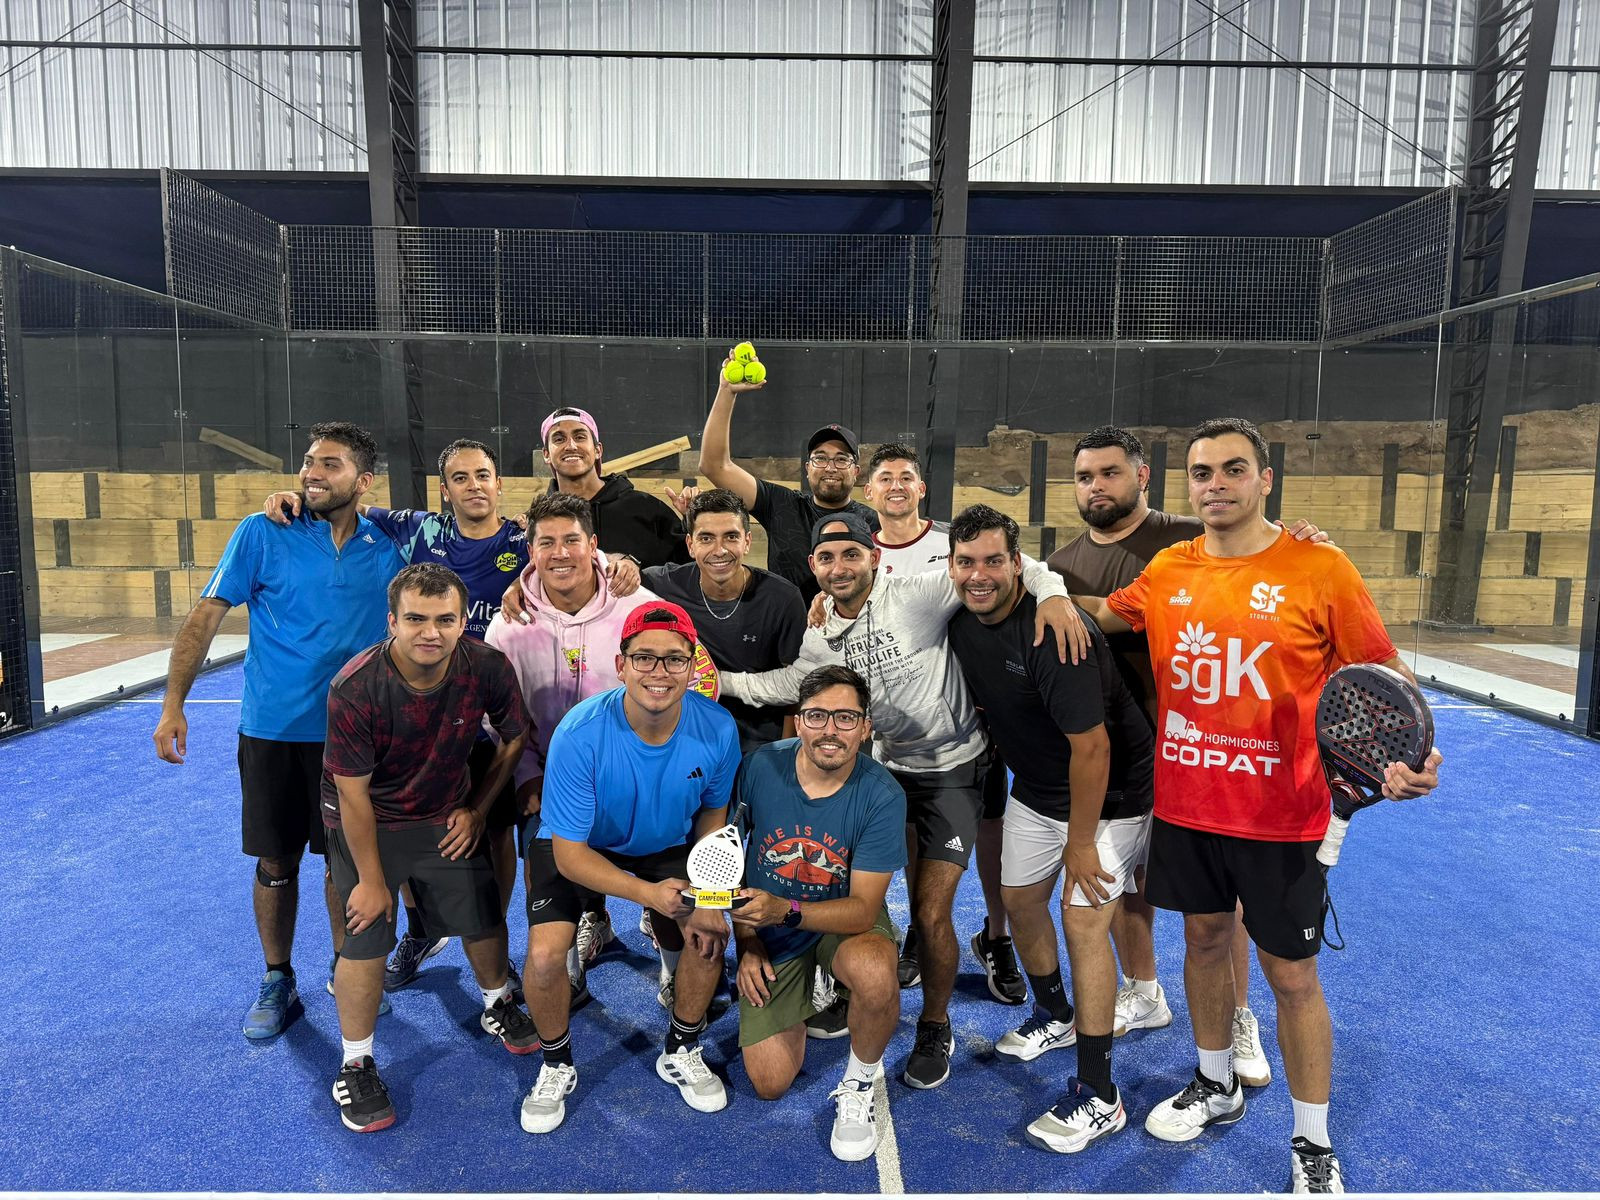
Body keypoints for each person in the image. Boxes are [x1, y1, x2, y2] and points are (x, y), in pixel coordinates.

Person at [1074, 418, 1443, 1193]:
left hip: (1283, 818)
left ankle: (1313, 1143)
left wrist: (1413, 756)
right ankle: (1215, 1083)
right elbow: (1103, 611)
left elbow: (1384, 674)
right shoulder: (1170, 567)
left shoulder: (1320, 566)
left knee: (1293, 978)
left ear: (1265, 479)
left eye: (1233, 469)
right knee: (1204, 942)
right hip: (1186, 806)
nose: (1216, 484)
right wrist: (1032, 592)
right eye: (1202, 472)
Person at [720, 511, 1087, 1090]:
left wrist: (1055, 595)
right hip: (882, 770)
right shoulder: (820, 631)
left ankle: (934, 1024)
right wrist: (720, 682)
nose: (840, 567)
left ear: (874, 557)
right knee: (854, 887)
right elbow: (788, 683)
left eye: (851, 554)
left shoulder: (917, 594)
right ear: (813, 566)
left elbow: (1011, 569)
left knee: (931, 911)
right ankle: (852, 981)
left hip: (952, 771)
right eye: (827, 558)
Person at [1050, 425, 1326, 1085]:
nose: (1097, 486)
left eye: (1110, 473)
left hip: (1229, 768)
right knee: (1143, 892)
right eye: (1085, 476)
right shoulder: (1078, 562)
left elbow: (1265, 551)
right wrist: (1038, 590)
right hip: (1137, 758)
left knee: (1231, 915)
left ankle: (1240, 1019)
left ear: (1143, 475)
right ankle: (1146, 993)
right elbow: (1103, 613)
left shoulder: (1188, 536)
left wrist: (1301, 543)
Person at [153, 421, 405, 1040]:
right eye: (309, 462)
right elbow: (207, 616)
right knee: (276, 859)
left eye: (330, 464)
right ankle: (277, 976)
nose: (312, 473)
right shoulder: (262, 531)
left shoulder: (390, 543)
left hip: (358, 736)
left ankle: (349, 968)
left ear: (364, 481)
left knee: (347, 862)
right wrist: (173, 703)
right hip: (274, 730)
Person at [945, 505, 1154, 1154]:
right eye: (966, 562)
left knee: (1084, 921)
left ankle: (1100, 1095)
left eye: (994, 560)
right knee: (1019, 900)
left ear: (1019, 564)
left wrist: (1082, 842)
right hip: (1037, 789)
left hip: (1113, 794)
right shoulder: (960, 621)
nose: (979, 575)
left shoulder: (1055, 633)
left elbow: (1092, 748)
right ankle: (1056, 1013)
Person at [322, 564, 537, 1132]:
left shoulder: (486, 665)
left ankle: (498, 1002)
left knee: (482, 912)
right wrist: (373, 881)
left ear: (463, 621)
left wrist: (478, 808)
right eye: (416, 618)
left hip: (443, 810)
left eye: (445, 620)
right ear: (391, 621)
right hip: (368, 817)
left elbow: (514, 736)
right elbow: (352, 795)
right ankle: (356, 1063)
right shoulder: (355, 686)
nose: (430, 632)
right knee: (366, 931)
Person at [517, 601, 742, 1134]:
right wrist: (648, 895)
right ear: (621, 666)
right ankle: (556, 1062)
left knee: (710, 935)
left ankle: (682, 1047)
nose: (658, 672)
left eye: (674, 659)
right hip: (581, 844)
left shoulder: (718, 727)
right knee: (545, 958)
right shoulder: (579, 732)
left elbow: (711, 820)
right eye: (644, 658)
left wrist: (709, 894)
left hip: (668, 842)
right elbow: (570, 855)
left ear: (692, 666)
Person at [486, 492, 679, 1007]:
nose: (560, 553)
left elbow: (675, 694)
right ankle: (568, 968)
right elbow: (501, 717)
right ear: (531, 552)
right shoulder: (508, 625)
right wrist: (527, 776)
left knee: (668, 878)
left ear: (594, 544)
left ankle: (673, 966)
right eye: (546, 542)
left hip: (639, 782)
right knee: (545, 867)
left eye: (571, 539)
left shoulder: (642, 609)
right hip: (552, 783)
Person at [861, 442, 1023, 1008]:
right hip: (903, 739)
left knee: (992, 834)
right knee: (912, 837)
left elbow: (1024, 571)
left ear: (922, 488)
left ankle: (997, 936)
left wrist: (1051, 595)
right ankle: (919, 930)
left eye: (906, 476)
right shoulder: (859, 555)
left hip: (979, 722)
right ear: (869, 491)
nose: (896, 486)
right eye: (885, 477)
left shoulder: (952, 544)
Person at [732, 665, 905, 1162]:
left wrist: (783, 911)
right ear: (798, 720)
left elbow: (863, 910)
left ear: (866, 727)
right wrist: (747, 944)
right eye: (817, 716)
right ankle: (815, 987)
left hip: (836, 920)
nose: (831, 730)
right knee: (769, 1083)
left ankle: (859, 1083)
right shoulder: (759, 767)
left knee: (874, 972)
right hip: (768, 925)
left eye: (846, 718)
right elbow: (727, 864)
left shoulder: (883, 795)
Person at [697, 354, 880, 600]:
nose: (830, 467)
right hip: (785, 622)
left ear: (856, 471)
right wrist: (726, 392)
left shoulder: (874, 524)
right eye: (820, 458)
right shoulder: (781, 504)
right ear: (808, 468)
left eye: (841, 459)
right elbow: (714, 465)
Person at [642, 488, 806, 752]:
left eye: (731, 537)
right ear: (690, 545)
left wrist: (784, 753)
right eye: (706, 538)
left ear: (747, 542)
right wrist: (624, 561)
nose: (719, 550)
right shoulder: (661, 584)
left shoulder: (782, 598)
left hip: (758, 745)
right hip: (682, 741)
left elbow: (797, 687)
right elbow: (606, 577)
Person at [540, 405, 689, 566]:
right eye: (559, 439)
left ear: (598, 450)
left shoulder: (647, 509)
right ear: (546, 455)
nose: (571, 446)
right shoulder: (539, 521)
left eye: (580, 437)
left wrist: (693, 522)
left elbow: (689, 567)